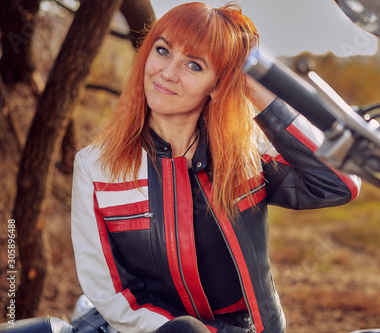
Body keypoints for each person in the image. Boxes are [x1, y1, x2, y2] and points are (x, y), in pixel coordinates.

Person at [71, 2, 361, 333]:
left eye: (194, 65)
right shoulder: (96, 168)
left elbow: (341, 183)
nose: (168, 72)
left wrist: (253, 85)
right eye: (163, 51)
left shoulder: (245, 155)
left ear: (218, 84)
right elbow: (113, 297)